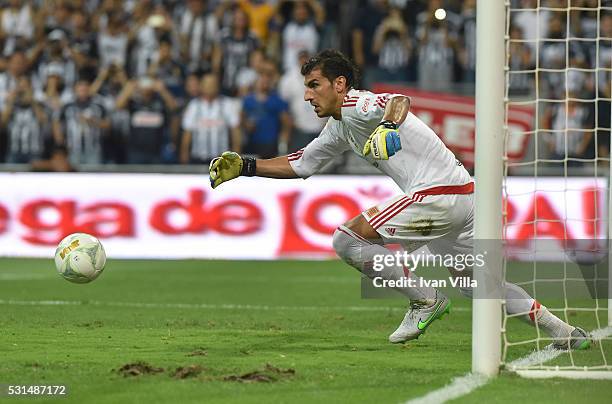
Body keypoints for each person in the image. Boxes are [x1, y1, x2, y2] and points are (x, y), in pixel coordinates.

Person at [208, 49, 589, 349]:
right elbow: (300, 163)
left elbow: (399, 100)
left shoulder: (358, 105)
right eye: (306, 87)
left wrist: (388, 125)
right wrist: (246, 166)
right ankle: (564, 332)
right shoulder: (339, 128)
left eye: (314, 84)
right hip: (464, 198)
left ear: (339, 84)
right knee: (480, 286)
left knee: (347, 237)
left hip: (438, 195)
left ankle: (425, 300)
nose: (307, 95)